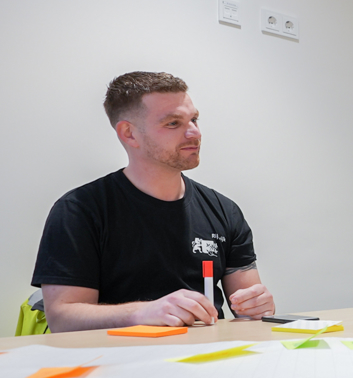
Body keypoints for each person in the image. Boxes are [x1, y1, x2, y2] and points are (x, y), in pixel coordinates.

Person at [33, 72, 276, 331]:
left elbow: (249, 312)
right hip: (116, 362)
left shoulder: (225, 211)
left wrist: (258, 307)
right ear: (129, 134)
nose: (194, 132)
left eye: (194, 119)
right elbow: (62, 318)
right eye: (173, 123)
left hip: (207, 359)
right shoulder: (79, 210)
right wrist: (143, 312)